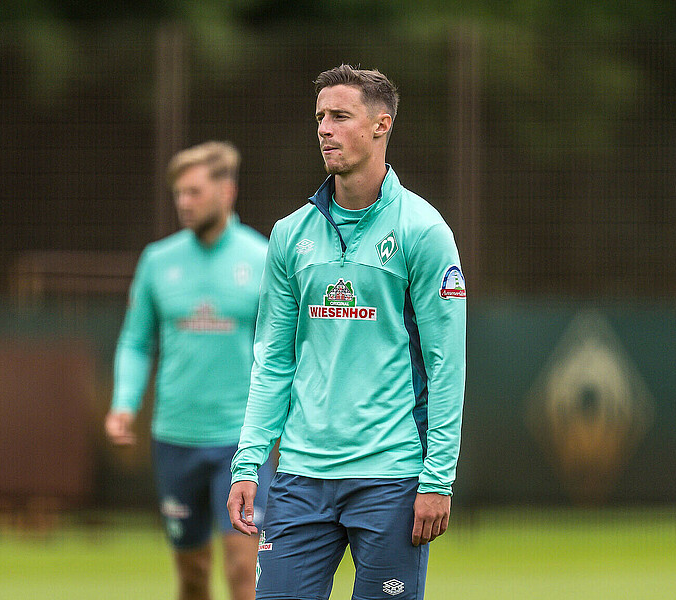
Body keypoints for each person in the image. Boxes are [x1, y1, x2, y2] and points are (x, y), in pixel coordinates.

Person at [227, 65, 467, 600]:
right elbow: (273, 359)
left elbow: (448, 365)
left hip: (391, 477)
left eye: (340, 116)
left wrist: (438, 478)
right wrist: (248, 462)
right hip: (299, 476)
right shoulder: (290, 235)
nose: (324, 129)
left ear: (382, 125)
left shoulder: (423, 233)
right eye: (319, 117)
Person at [106, 141, 271, 600]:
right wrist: (124, 403)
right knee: (193, 575)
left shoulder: (262, 259)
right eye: (179, 193)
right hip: (175, 437)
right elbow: (136, 343)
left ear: (227, 191)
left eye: (195, 192)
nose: (184, 202)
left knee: (243, 570)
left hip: (241, 441)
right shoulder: (158, 261)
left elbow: (282, 352)